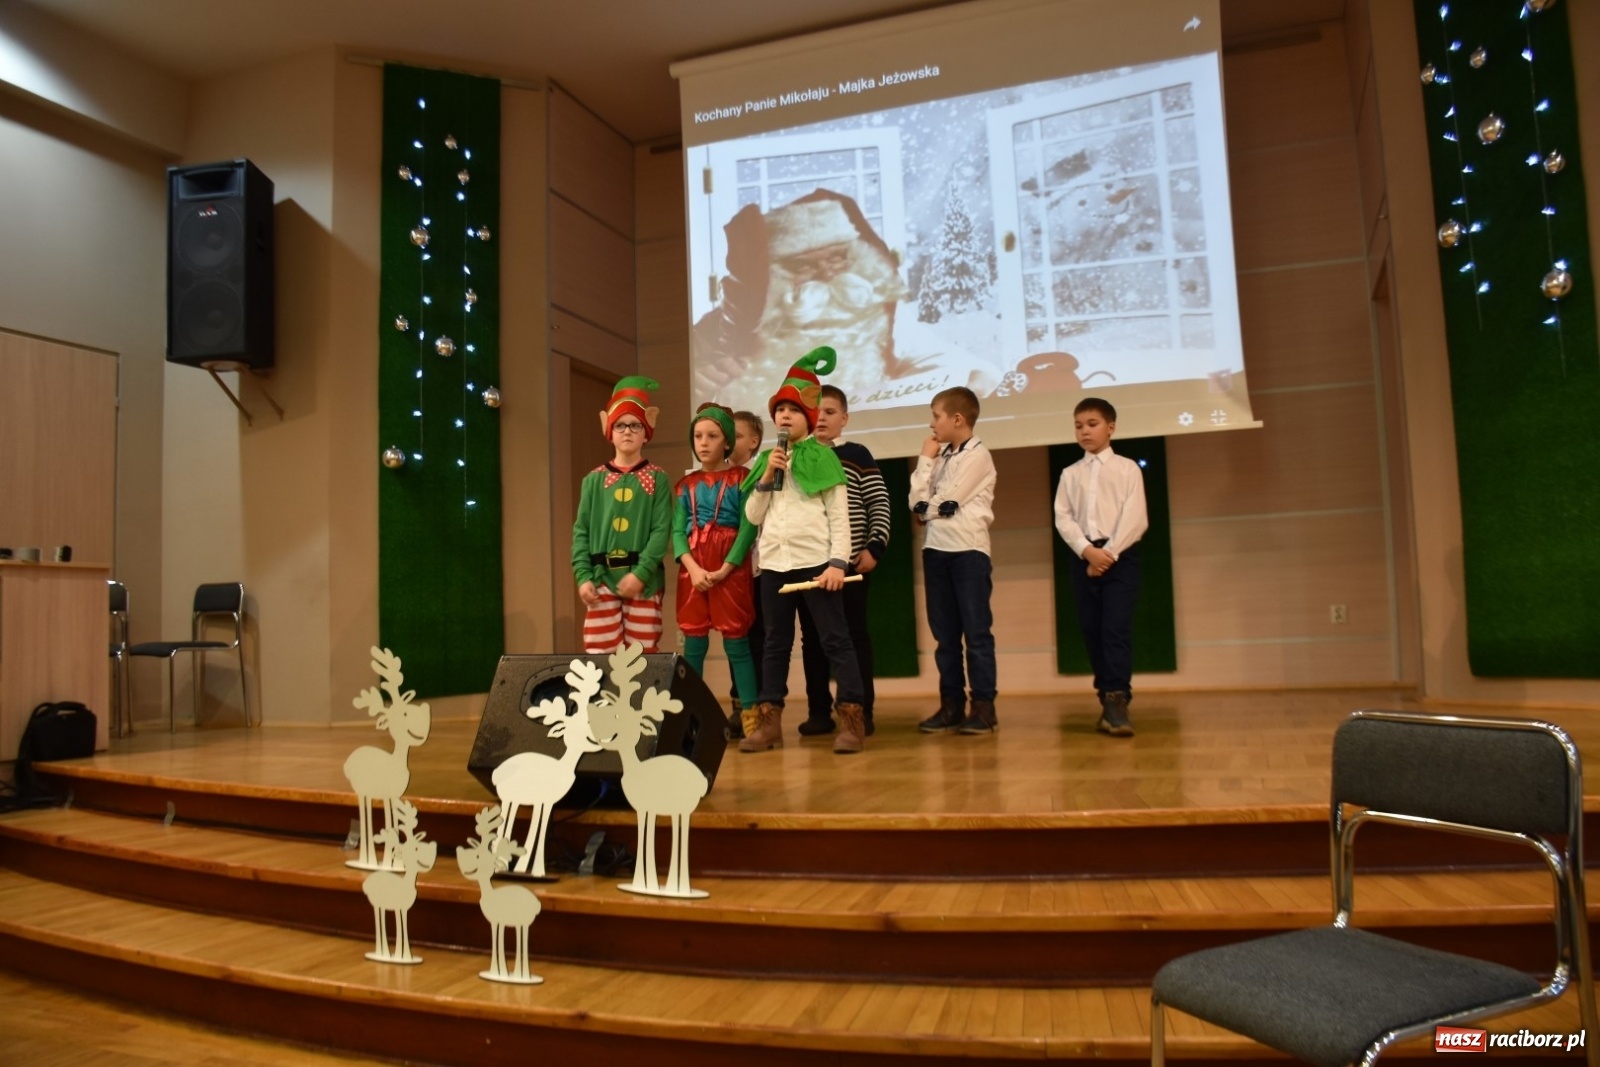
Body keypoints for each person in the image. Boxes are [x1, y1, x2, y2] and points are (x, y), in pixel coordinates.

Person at [740, 346, 869, 755]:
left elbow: (840, 518)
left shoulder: (825, 458)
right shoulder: (768, 459)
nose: (784, 416)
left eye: (793, 410)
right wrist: (767, 476)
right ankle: (770, 724)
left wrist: (837, 563)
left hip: (817, 565)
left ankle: (852, 720)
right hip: (775, 565)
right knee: (775, 644)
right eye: (779, 410)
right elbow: (753, 515)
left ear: (809, 418)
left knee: (835, 640)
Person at [797, 384, 890, 738]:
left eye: (830, 412)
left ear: (845, 419)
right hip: (809, 564)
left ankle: (860, 711)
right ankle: (818, 712)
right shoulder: (799, 455)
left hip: (849, 565)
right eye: (816, 411)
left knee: (852, 636)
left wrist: (874, 547)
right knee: (813, 639)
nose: (821, 417)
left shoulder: (857, 454)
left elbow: (878, 502)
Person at [1052, 397, 1148, 737]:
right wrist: (1087, 551)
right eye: (1078, 426)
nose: (1084, 431)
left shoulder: (1127, 469)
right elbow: (1063, 517)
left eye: (1092, 424)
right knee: (1092, 631)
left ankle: (1118, 699)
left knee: (1115, 629)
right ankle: (1106, 700)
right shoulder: (1070, 473)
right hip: (1084, 557)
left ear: (1111, 427)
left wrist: (1107, 555)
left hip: (1120, 558)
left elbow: (1135, 518)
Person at [911, 385, 998, 735]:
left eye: (936, 416)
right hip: (936, 550)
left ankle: (984, 707)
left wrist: (926, 507)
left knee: (976, 634)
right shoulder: (940, 457)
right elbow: (916, 504)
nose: (932, 424)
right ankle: (951, 705)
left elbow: (946, 504)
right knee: (945, 636)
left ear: (958, 419)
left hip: (968, 552)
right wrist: (925, 461)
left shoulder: (978, 456)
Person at [570, 376, 672, 655]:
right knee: (601, 655)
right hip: (600, 578)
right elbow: (581, 531)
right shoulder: (593, 480)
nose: (627, 431)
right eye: (620, 425)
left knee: (641, 655)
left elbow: (661, 531)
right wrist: (583, 575)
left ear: (646, 432)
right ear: (610, 430)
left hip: (644, 582)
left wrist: (641, 573)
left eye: (635, 425)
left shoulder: (658, 478)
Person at [673, 403, 760, 721]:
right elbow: (677, 532)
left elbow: (748, 527)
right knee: (694, 643)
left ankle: (750, 714)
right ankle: (690, 716)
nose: (704, 442)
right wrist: (693, 568)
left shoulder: (742, 479)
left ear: (727, 442)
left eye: (712, 436)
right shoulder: (685, 485)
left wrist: (726, 567)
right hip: (693, 571)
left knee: (737, 642)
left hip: (731, 570)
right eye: (698, 436)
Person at [726, 410, 766, 739]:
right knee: (734, 639)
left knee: (758, 640)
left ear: (754, 442)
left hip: (757, 569)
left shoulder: (761, 475)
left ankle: (760, 706)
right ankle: (739, 706)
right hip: (727, 572)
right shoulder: (712, 477)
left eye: (737, 436)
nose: (729, 441)